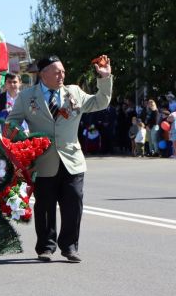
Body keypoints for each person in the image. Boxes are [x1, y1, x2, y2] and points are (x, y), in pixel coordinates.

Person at [7, 54, 112, 263]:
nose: (62, 75)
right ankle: (46, 247)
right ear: (43, 74)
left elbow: (100, 102)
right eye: (57, 72)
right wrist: (21, 141)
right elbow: (12, 122)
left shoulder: (73, 92)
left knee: (74, 202)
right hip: (44, 160)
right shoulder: (27, 96)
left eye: (63, 71)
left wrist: (105, 79)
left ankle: (70, 247)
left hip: (72, 159)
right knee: (45, 205)